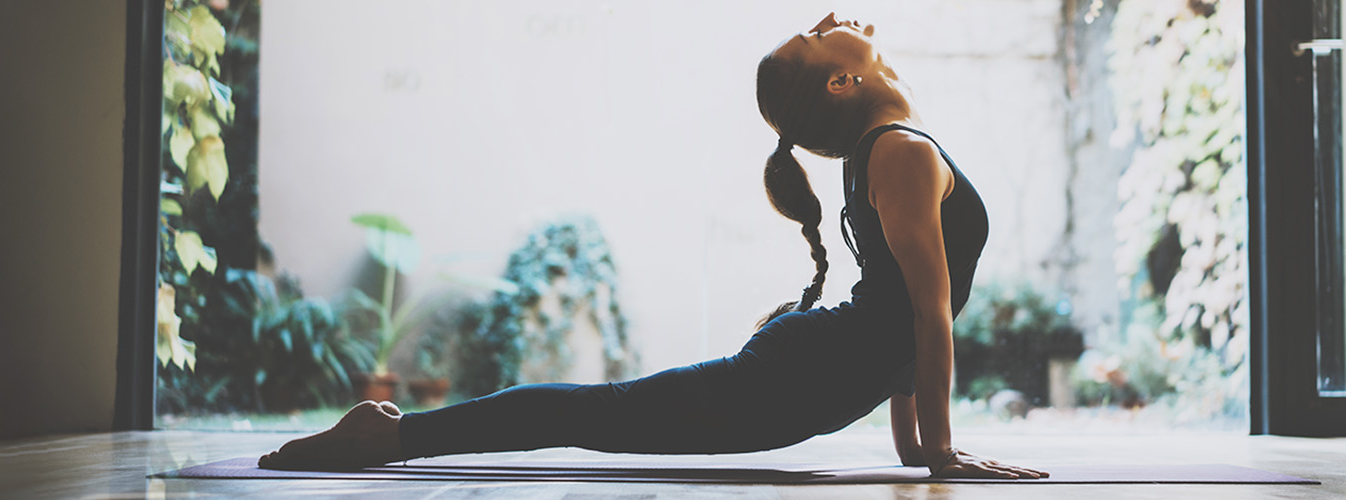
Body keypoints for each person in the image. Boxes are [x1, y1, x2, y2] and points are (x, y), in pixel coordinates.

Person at [257, 12, 1047, 480]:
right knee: (599, 414)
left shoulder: (888, 150)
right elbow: (923, 313)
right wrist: (936, 449)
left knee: (603, 413)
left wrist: (916, 447)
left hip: (811, 375)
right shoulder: (900, 152)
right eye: (817, 33)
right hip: (799, 378)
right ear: (842, 83)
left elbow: (904, 316)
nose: (834, 16)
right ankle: (387, 436)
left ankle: (391, 434)